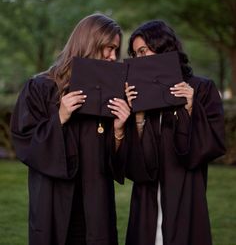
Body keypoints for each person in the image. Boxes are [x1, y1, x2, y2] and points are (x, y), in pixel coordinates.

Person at [10, 14, 130, 245]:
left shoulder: (110, 96)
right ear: (89, 43)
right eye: (109, 48)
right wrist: (60, 117)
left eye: (117, 50)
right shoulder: (40, 88)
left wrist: (118, 130)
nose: (114, 57)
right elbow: (25, 143)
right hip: (53, 203)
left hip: (94, 206)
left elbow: (114, 162)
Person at [124, 20, 225, 245]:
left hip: (186, 191)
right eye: (135, 54)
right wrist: (137, 116)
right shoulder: (135, 95)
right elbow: (130, 161)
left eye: (143, 51)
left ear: (162, 47)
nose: (139, 60)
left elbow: (213, 144)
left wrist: (190, 108)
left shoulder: (202, 89)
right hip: (147, 195)